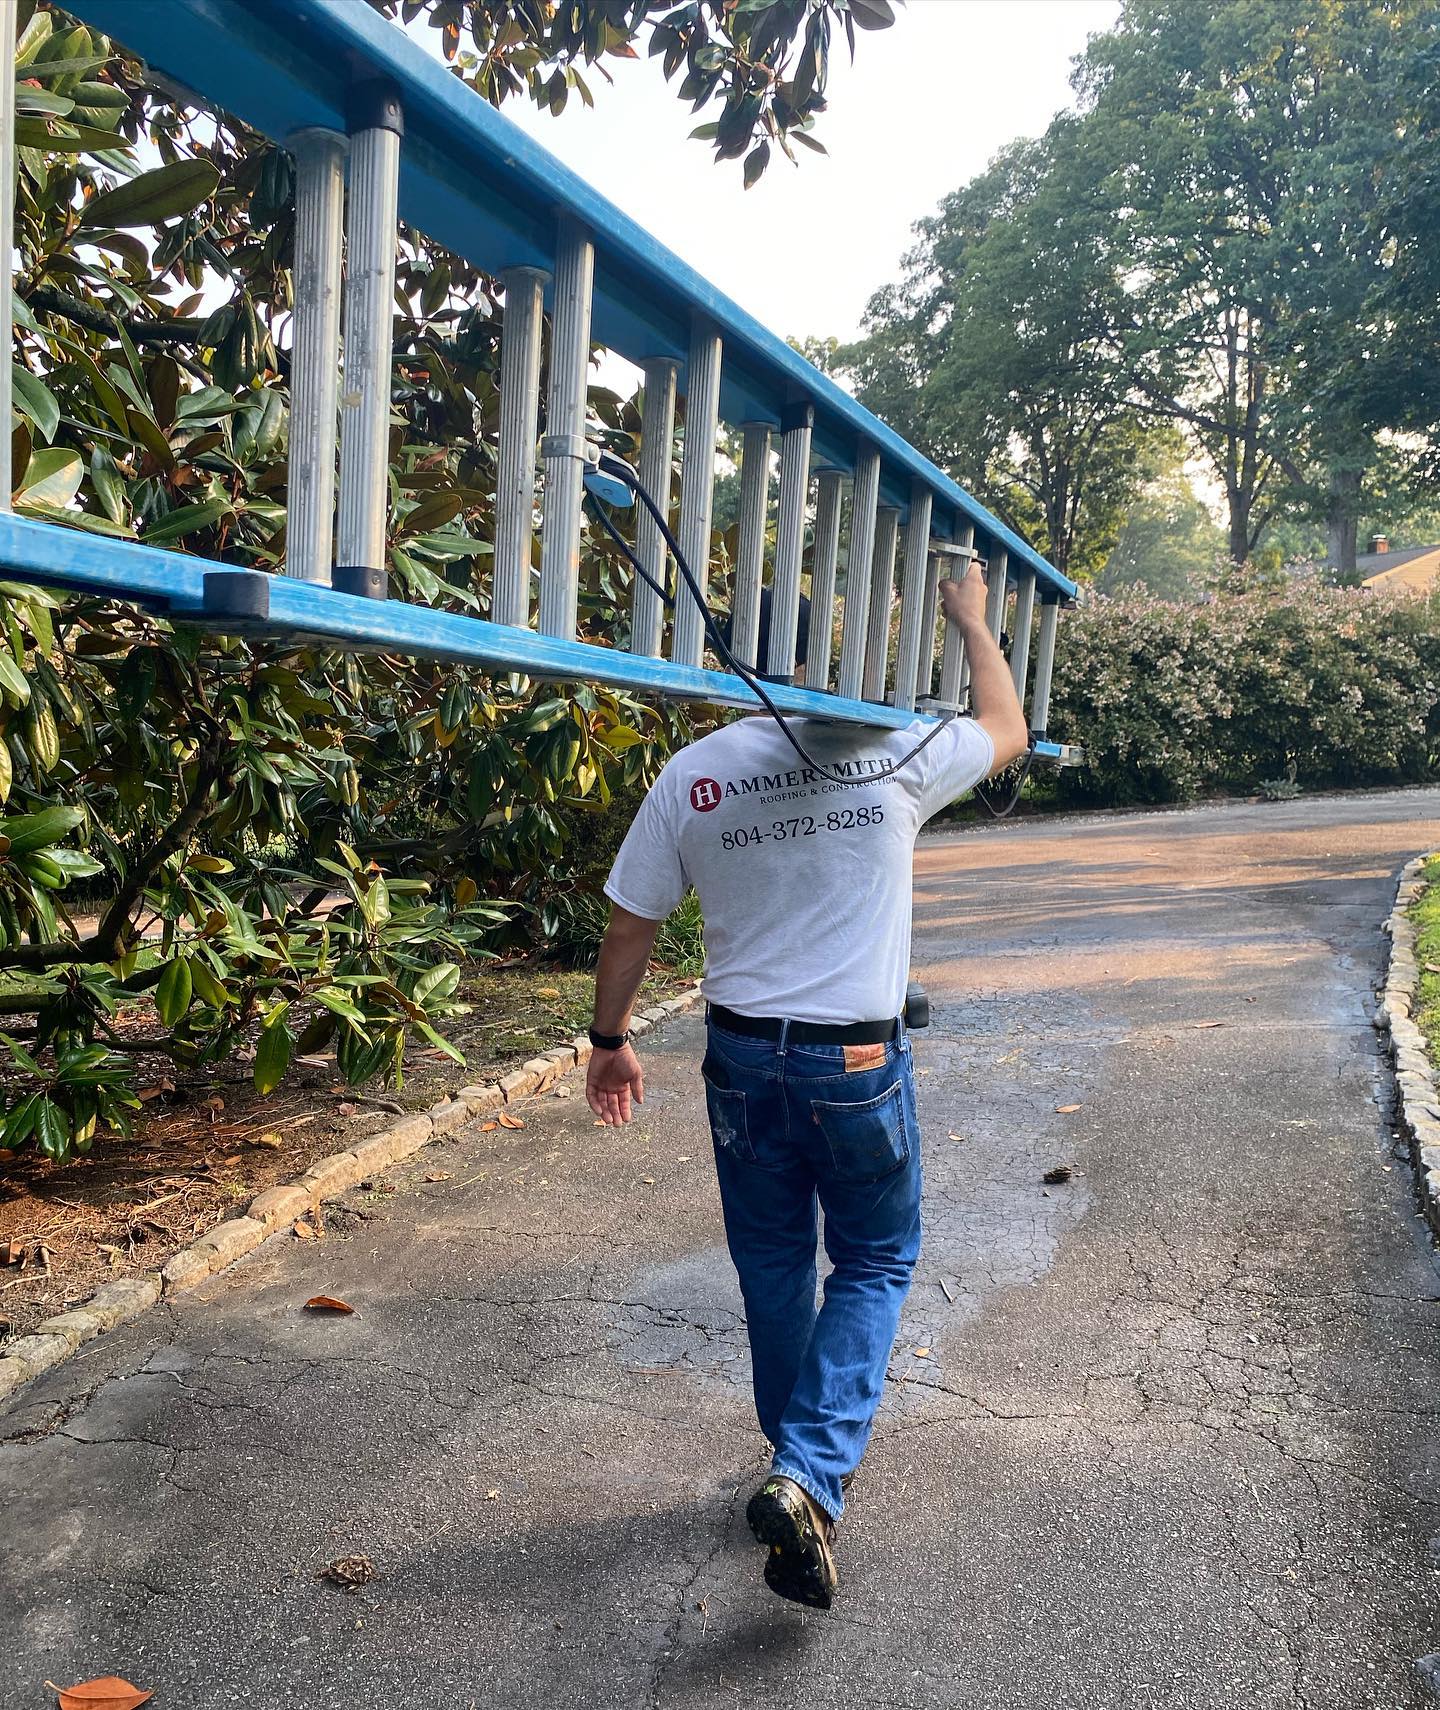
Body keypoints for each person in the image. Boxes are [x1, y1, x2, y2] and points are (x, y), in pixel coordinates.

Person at [585, 561, 1028, 1609]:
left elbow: (628, 922)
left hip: (742, 1059)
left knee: (774, 1263)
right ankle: (809, 1475)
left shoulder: (694, 774)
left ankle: (796, 1467)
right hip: (857, 1063)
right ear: (834, 658)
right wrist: (968, 620)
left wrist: (608, 1037)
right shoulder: (900, 753)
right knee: (875, 1258)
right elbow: (1005, 725)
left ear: (745, 662)